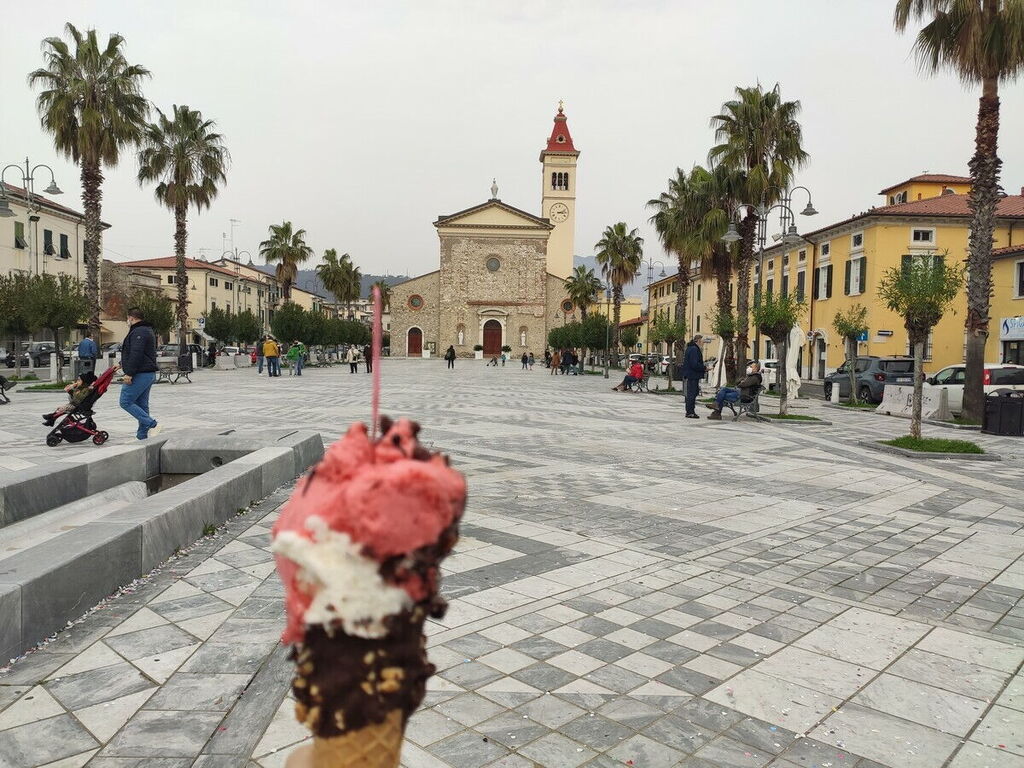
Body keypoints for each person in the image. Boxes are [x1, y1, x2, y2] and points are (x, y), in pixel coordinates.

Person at [119, 307, 161, 439]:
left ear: (131, 318)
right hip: (146, 373)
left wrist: (129, 373)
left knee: (125, 401)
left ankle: (152, 424)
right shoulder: (145, 330)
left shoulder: (139, 331)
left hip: (140, 373)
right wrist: (121, 364)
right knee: (142, 405)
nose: (127, 321)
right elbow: (138, 353)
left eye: (127, 318)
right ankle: (142, 437)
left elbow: (136, 353)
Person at [679, 335, 706, 420]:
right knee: (692, 394)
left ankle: (690, 411)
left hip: (690, 374)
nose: (703, 343)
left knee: (692, 393)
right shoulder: (694, 349)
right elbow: (694, 364)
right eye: (702, 341)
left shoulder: (690, 348)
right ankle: (690, 412)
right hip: (692, 375)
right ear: (698, 340)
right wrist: (704, 368)